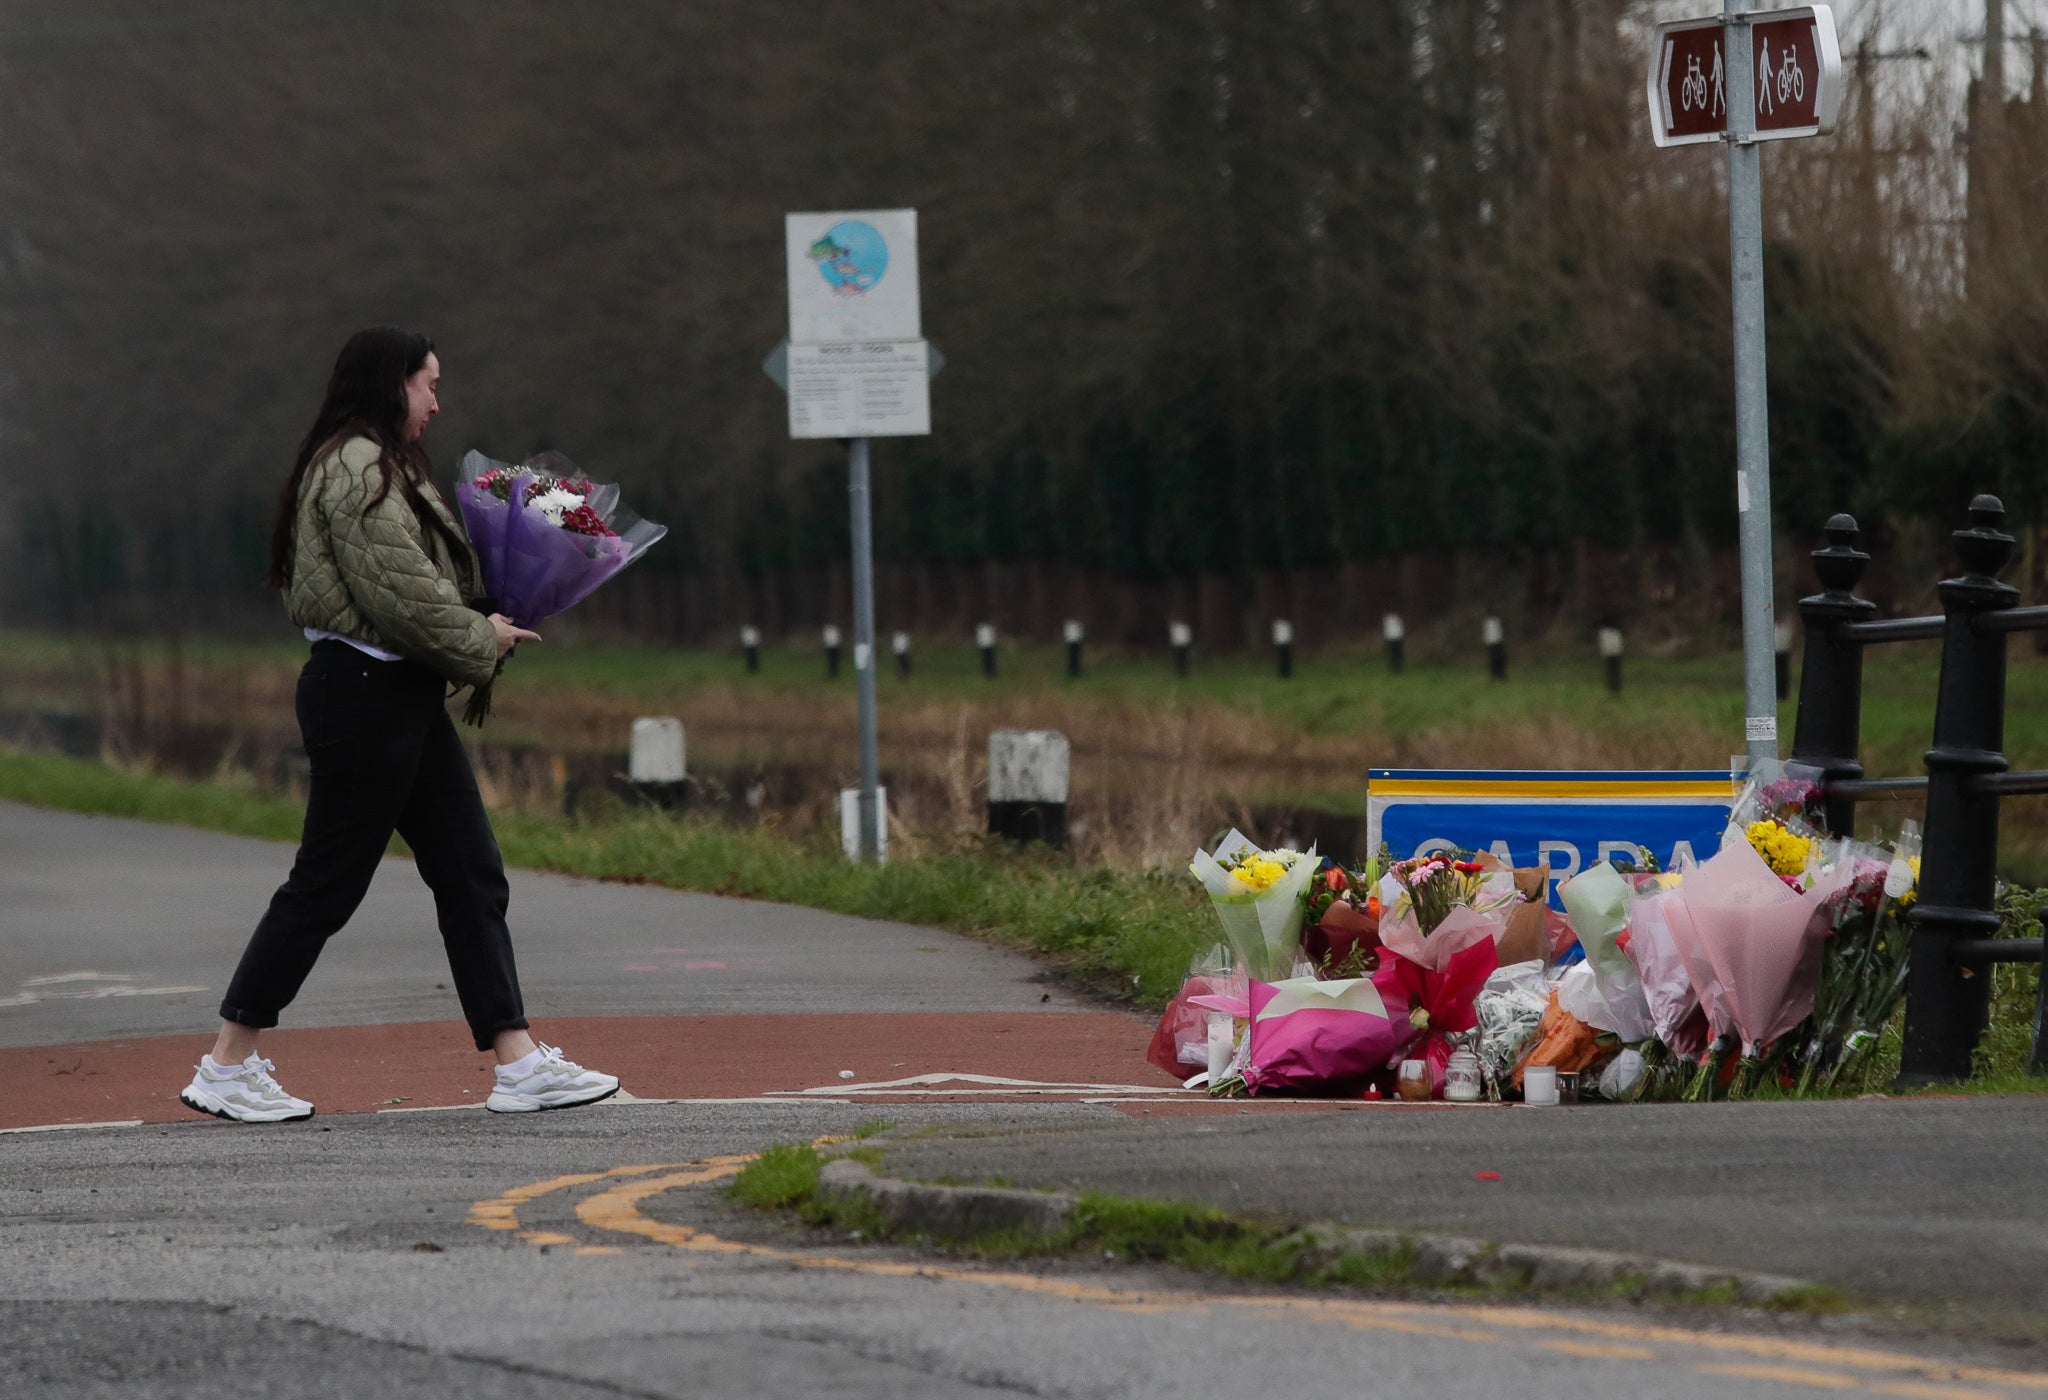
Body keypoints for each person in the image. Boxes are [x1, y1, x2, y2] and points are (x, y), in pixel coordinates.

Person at [179, 327, 619, 1122]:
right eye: (428, 385)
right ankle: (226, 1063)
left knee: (468, 870)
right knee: (328, 883)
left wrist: (500, 591)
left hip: (398, 693)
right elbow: (402, 599)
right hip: (364, 695)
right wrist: (480, 636)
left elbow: (426, 583)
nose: (437, 403)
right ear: (391, 385)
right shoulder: (356, 470)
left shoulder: (376, 465)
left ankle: (516, 1061)